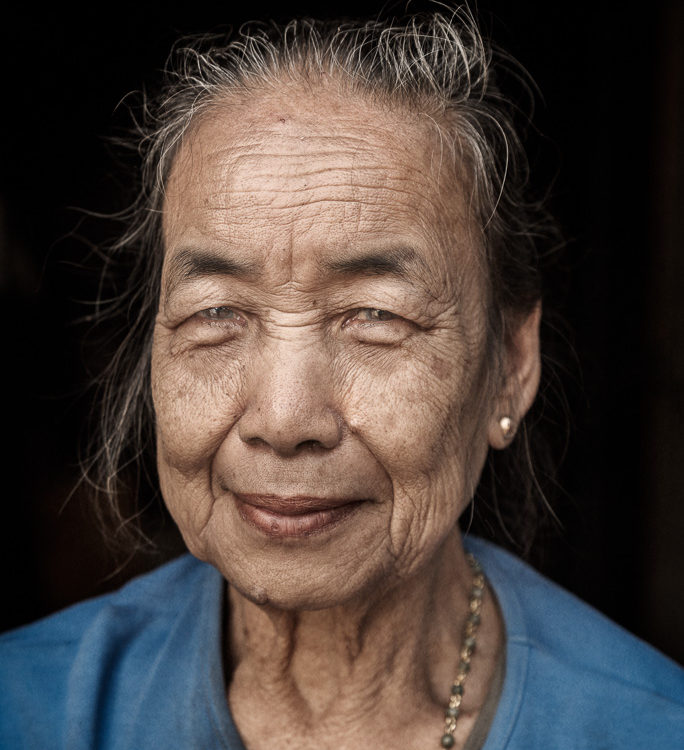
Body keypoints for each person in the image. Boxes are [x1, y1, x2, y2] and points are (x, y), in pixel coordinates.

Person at [1, 6, 682, 749]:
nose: (285, 419)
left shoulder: (646, 727)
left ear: (511, 366)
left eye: (377, 316)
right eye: (217, 310)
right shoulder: (28, 710)